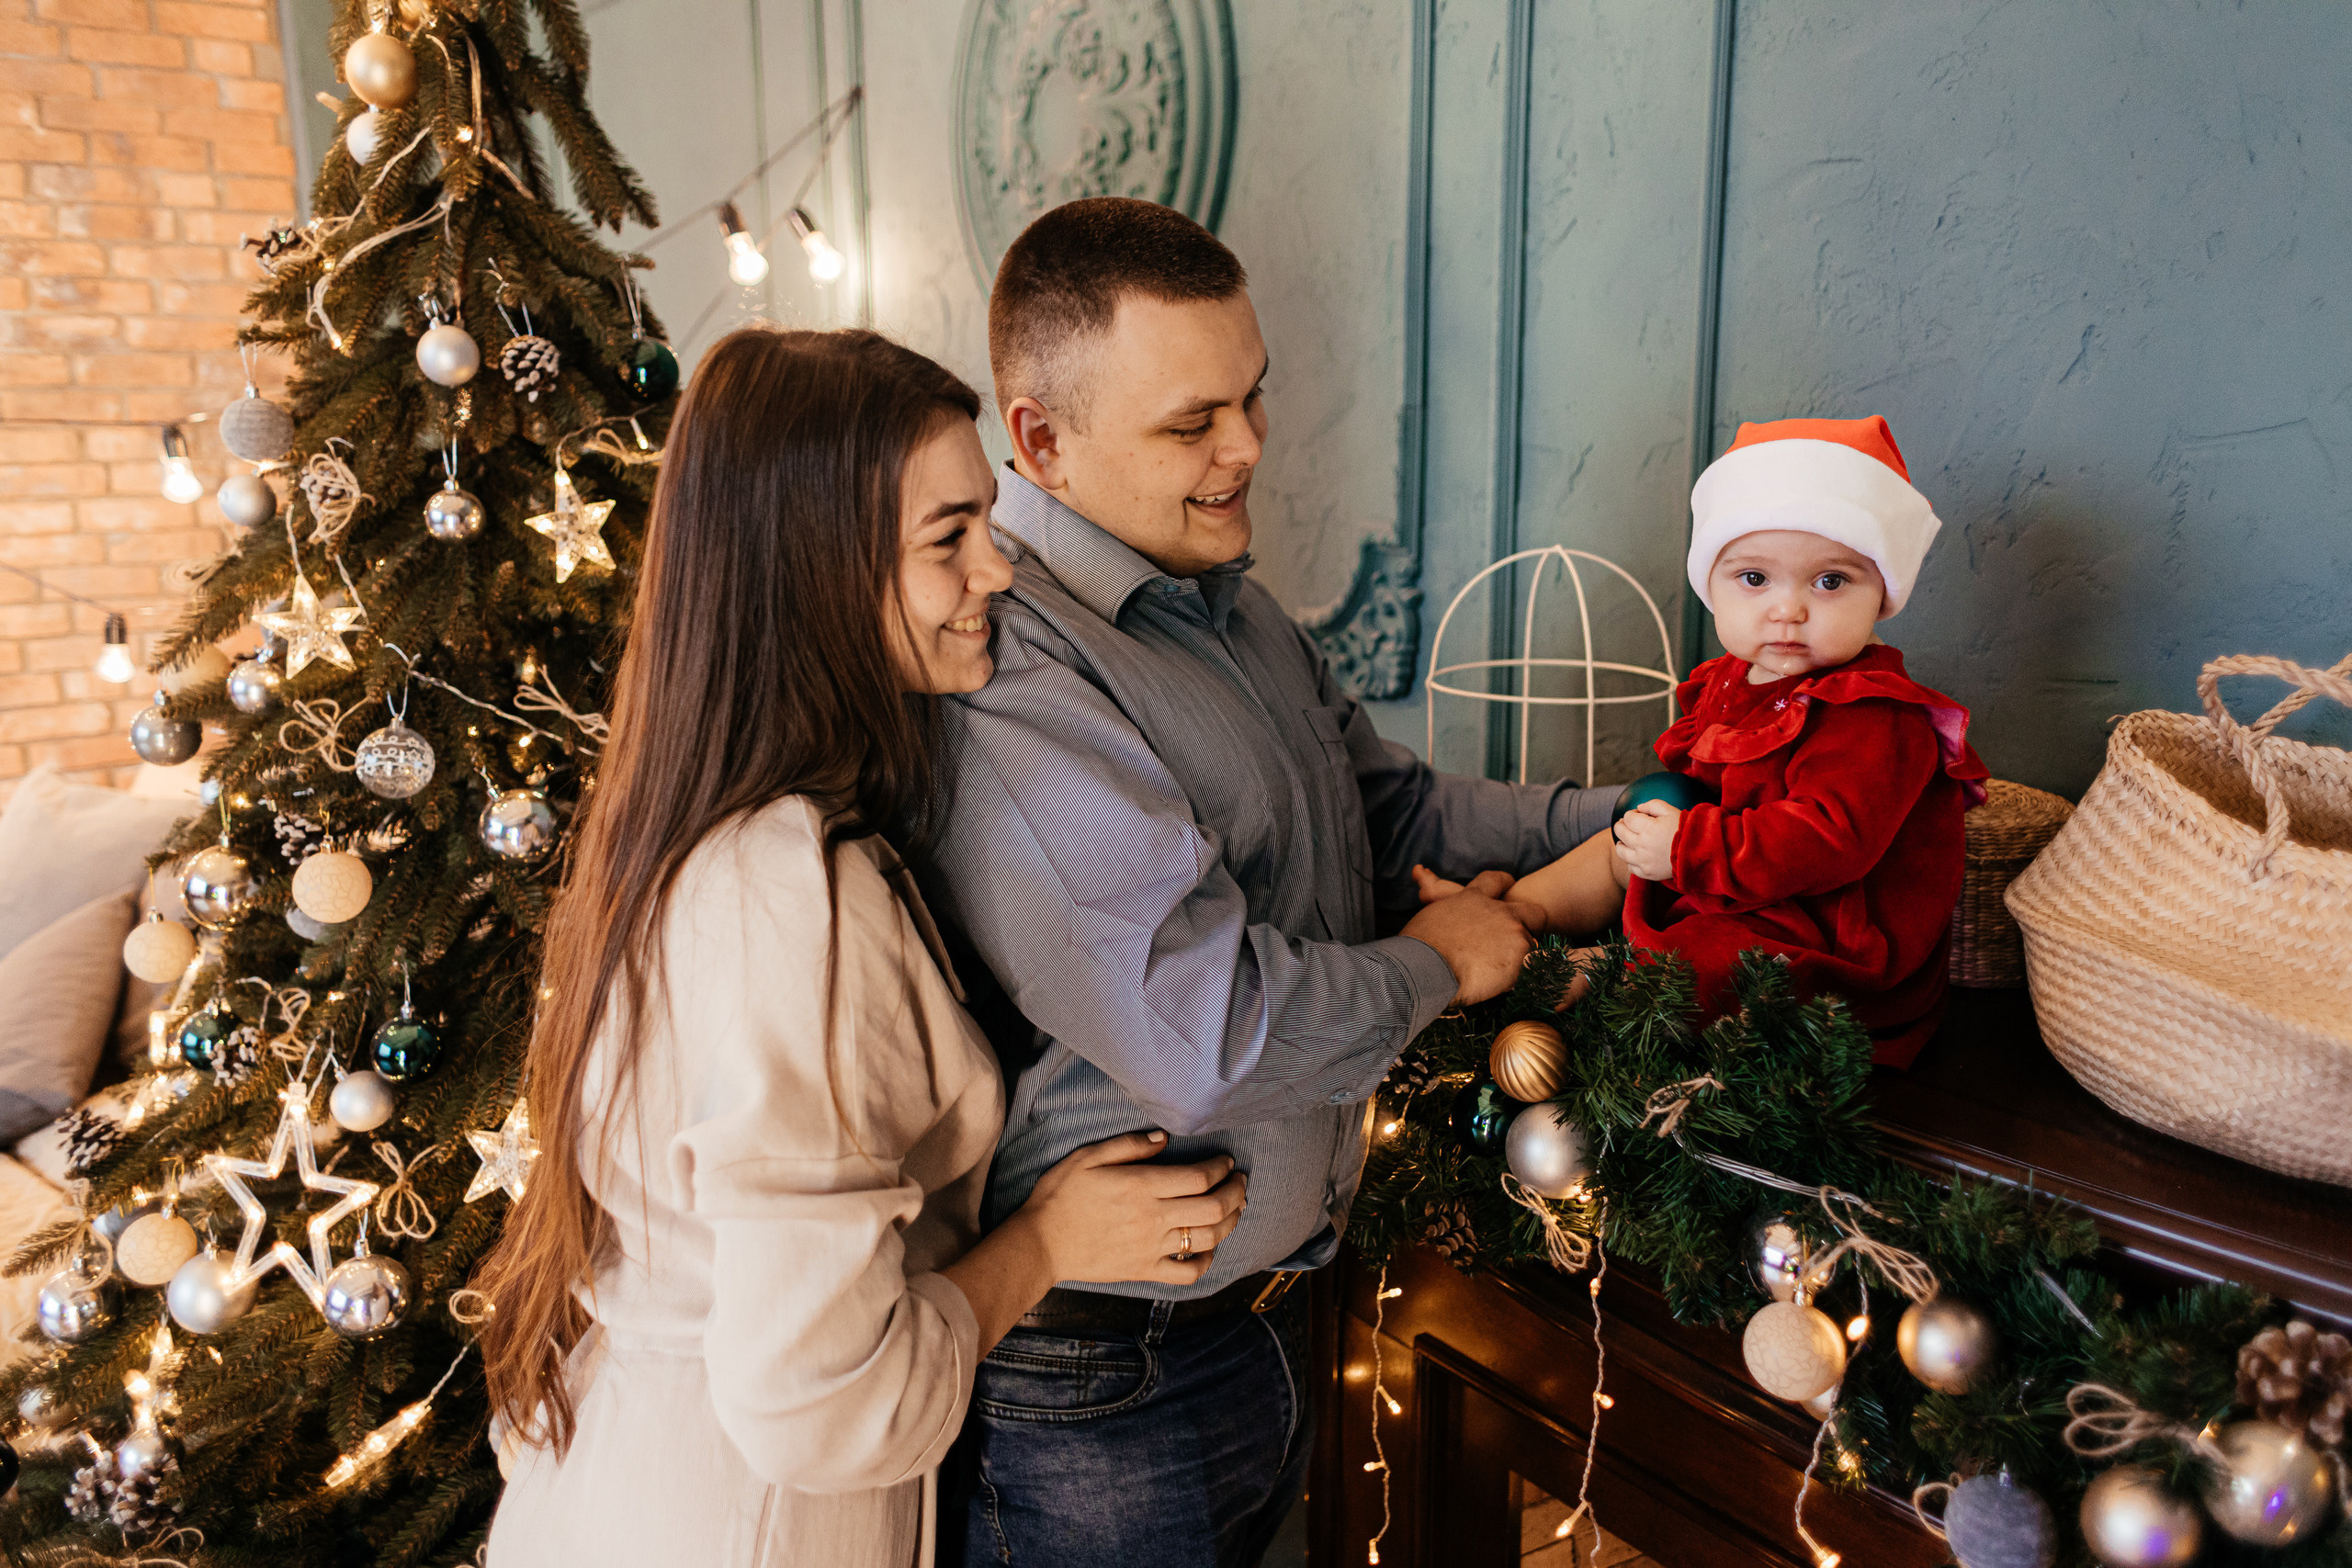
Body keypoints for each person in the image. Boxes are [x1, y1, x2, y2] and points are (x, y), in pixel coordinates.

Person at [918, 197, 1619, 1566]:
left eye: (1249, 399)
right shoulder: (1011, 676)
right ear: (1040, 438)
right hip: (1101, 1394)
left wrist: (1643, 813)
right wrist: (1447, 960)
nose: (1247, 448)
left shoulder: (1231, 602)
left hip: (1272, 1329)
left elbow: (1393, 804)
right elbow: (1212, 1029)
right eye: (1192, 424)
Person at [474, 328, 1247, 1568]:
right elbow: (824, 1404)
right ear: (809, 572)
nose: (999, 567)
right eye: (947, 538)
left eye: (986, 520)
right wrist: (1048, 1242)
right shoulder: (787, 894)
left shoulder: (699, 830)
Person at [1419, 415, 1989, 1066]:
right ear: (1710, 581)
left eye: (1830, 581)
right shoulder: (1734, 678)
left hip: (1814, 923)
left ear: (1884, 591)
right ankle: (1511, 911)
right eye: (1754, 579)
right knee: (1619, 846)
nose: (1788, 609)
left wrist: (1689, 846)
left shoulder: (1874, 715)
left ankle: (1596, 970)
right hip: (1723, 868)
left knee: (1719, 954)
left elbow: (1827, 840)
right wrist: (1667, 842)